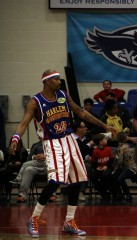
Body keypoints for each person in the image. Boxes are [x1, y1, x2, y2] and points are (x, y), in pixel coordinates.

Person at [8, 69, 116, 238]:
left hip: (69, 140)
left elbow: (81, 112)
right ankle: (34, 218)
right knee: (55, 180)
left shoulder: (63, 95)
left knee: (76, 180)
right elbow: (23, 123)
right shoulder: (35, 102)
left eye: (59, 79)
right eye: (56, 80)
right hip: (52, 142)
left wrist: (104, 126)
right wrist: (15, 138)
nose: (60, 82)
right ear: (47, 82)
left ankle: (69, 221)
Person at [91, 133, 119, 200]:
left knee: (106, 175)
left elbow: (111, 159)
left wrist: (106, 166)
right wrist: (97, 168)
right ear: (100, 142)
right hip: (99, 168)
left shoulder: (108, 149)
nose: (106, 139)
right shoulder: (95, 151)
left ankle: (114, 193)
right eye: (105, 139)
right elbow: (94, 162)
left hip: (108, 167)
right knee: (93, 177)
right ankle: (103, 192)